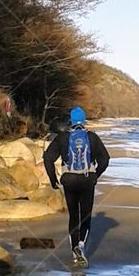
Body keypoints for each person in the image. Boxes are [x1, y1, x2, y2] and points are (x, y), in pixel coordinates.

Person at [43, 106, 110, 266]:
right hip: (87, 179)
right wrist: (95, 175)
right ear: (84, 119)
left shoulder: (62, 137)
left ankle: (74, 250)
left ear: (71, 121)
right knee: (85, 216)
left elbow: (47, 158)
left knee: (74, 215)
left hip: (69, 180)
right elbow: (105, 159)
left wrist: (54, 180)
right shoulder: (92, 137)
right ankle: (81, 245)